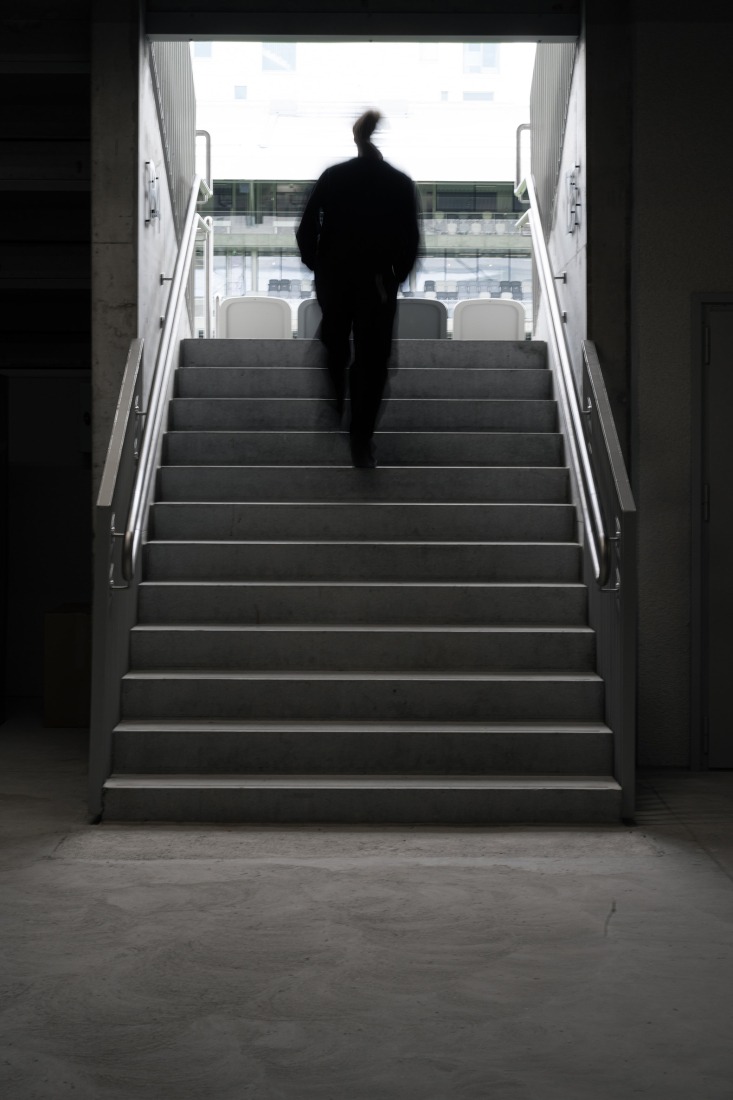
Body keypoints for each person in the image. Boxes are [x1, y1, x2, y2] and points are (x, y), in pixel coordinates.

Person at [296, 109, 420, 467]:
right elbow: (410, 238)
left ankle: (335, 403)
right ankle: (361, 440)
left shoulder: (334, 177)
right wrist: (396, 275)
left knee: (335, 343)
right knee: (372, 361)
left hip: (335, 277)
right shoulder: (398, 182)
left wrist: (317, 265)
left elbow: (307, 228)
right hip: (377, 282)